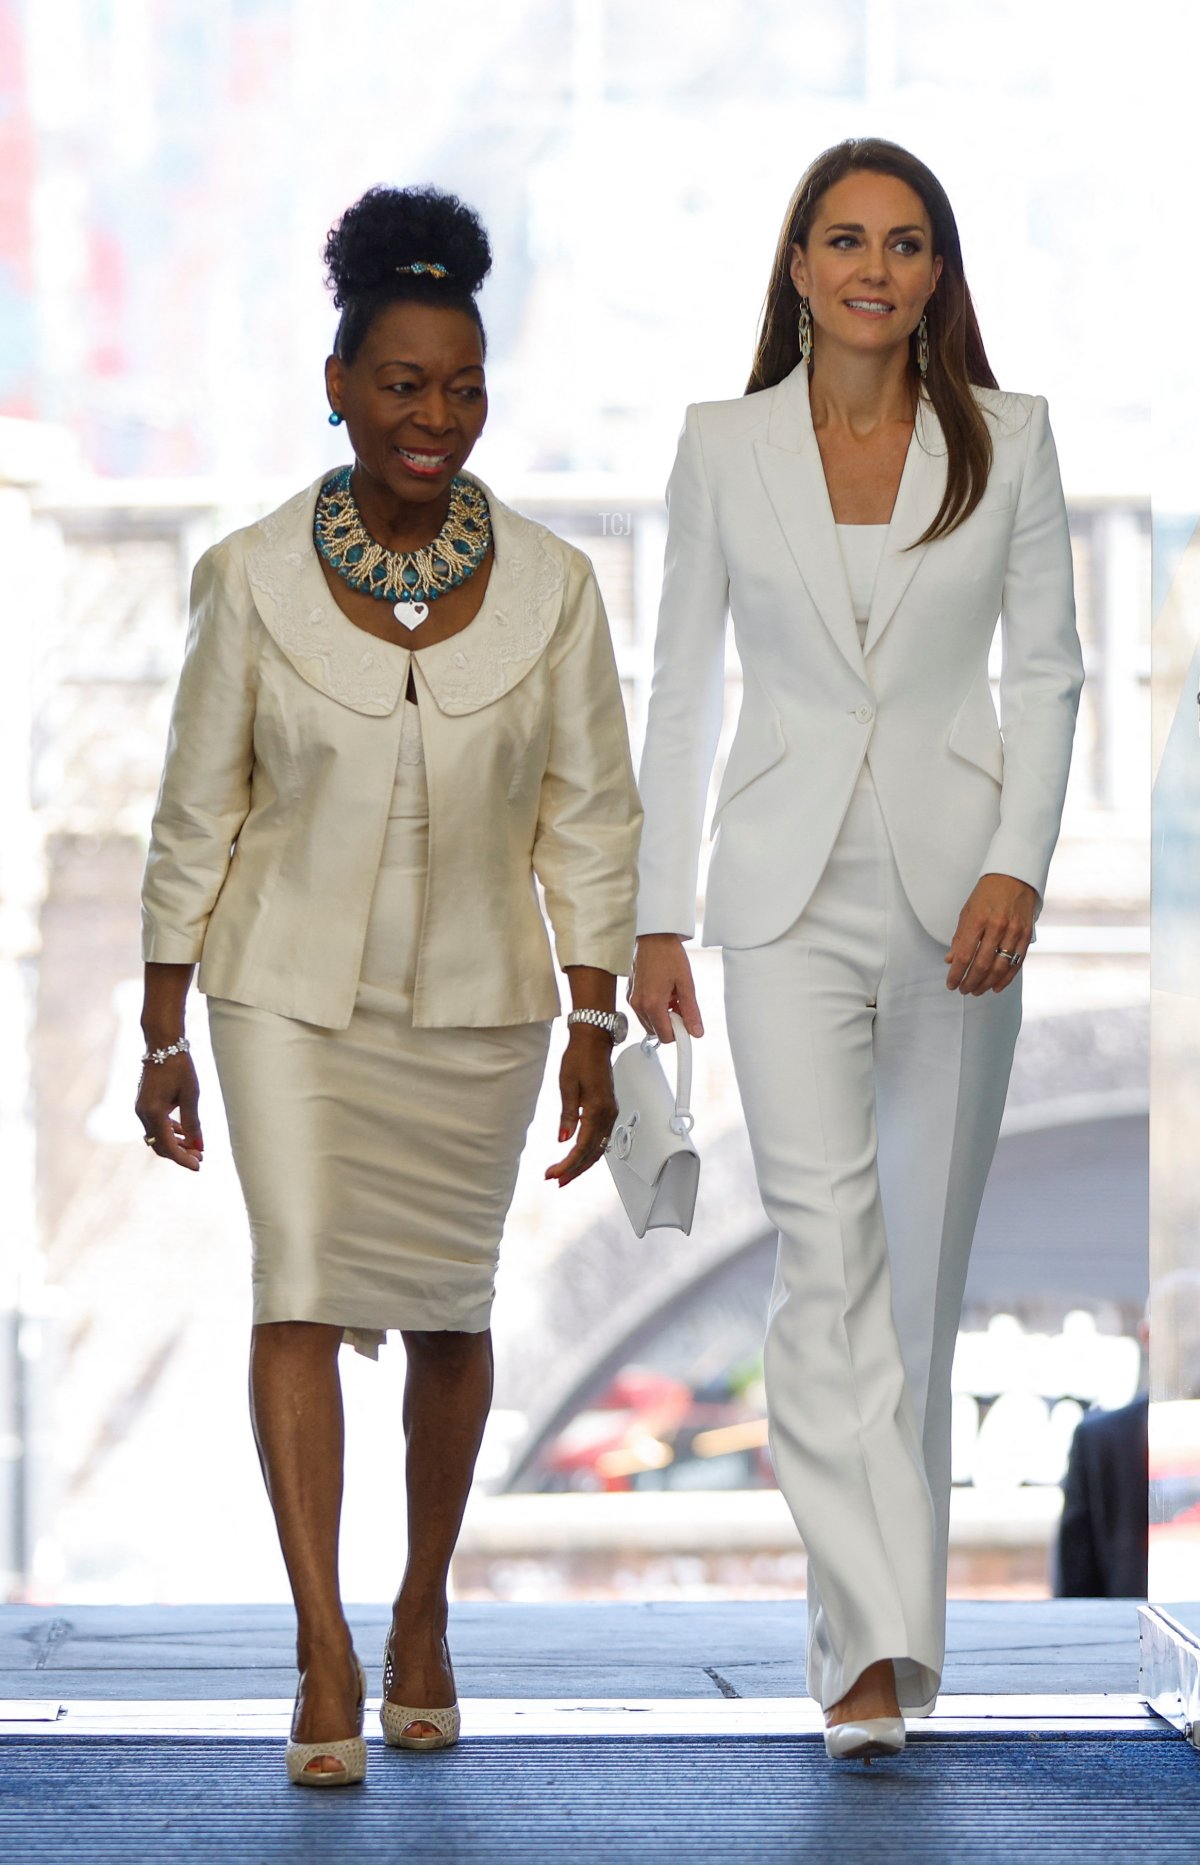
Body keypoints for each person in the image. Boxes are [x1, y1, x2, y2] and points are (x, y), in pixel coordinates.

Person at [136, 185, 640, 1787]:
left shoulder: (557, 587)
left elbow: (591, 814)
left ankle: (423, 1604)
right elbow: (197, 804)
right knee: (296, 1282)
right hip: (281, 994)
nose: (435, 416)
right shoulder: (247, 578)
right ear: (340, 385)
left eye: (463, 387)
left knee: (450, 1306)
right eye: (405, 383)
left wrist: (595, 1017)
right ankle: (325, 1640)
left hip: (484, 1005)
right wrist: (162, 1026)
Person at [630, 138, 1082, 1762]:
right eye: (844, 240)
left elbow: (1050, 674)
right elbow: (681, 682)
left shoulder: (1011, 440)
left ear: (936, 273)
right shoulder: (722, 444)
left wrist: (1021, 865)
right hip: (779, 892)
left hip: (965, 901)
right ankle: (869, 1653)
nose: (873, 267)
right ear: (800, 267)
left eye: (903, 242)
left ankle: (880, 1637)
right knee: (825, 1260)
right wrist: (655, 910)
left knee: (915, 1292)